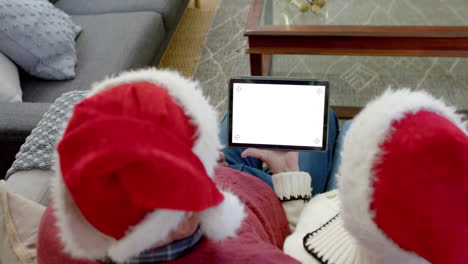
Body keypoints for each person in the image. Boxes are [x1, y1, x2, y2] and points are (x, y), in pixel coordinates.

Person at [227, 89, 468, 264]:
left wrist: (290, 182)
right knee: (345, 124)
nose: (341, 169)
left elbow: (297, 234)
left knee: (337, 120)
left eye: (351, 161)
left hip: (323, 220)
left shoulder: (304, 253)